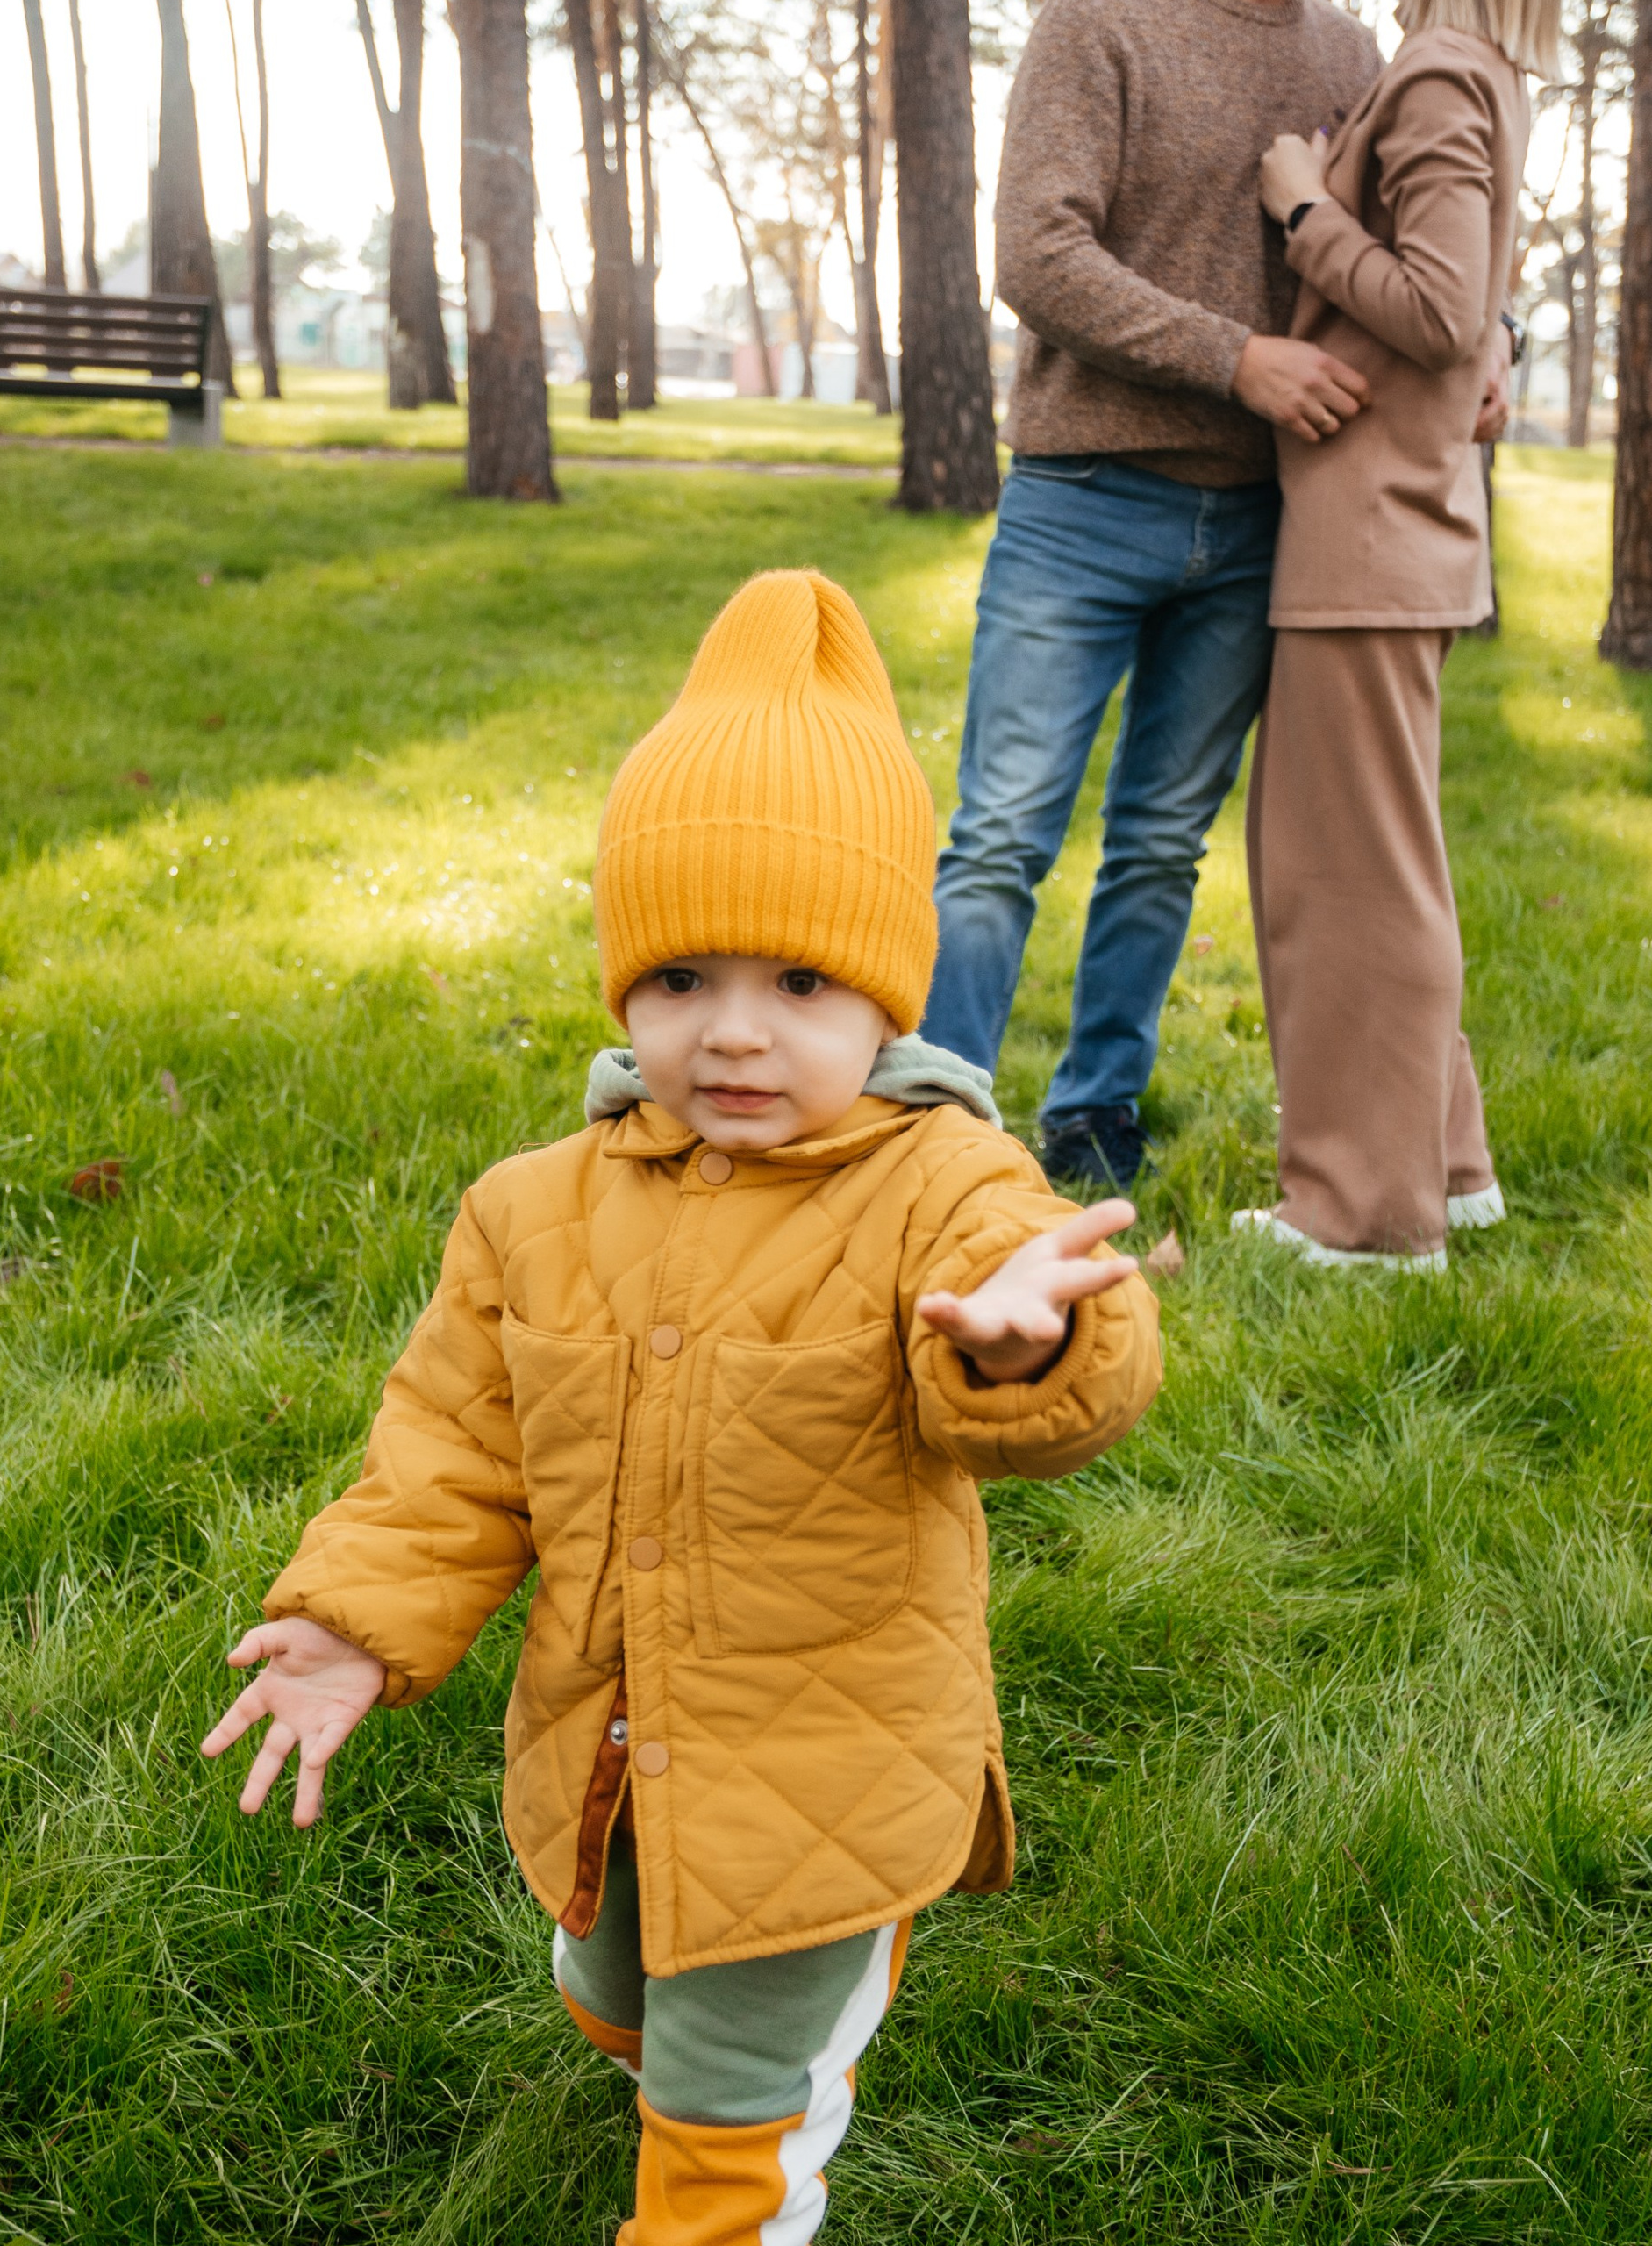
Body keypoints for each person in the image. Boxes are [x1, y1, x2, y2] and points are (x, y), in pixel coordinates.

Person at [201, 571, 1163, 2246]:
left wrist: (1020, 1347)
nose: (732, 1033)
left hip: (831, 1762)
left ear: (889, 995)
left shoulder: (947, 1179)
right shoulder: (532, 1209)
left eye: (799, 983)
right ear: (622, 989)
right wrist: (357, 1623)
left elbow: (1057, 1321)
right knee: (617, 1994)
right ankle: (710, 2031)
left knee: (725, 2130)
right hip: (615, 1747)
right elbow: (454, 1450)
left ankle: (781, 2075)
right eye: (679, 980)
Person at [920, 0, 1388, 1193]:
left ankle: (1095, 1117)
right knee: (1000, 837)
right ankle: (931, 1121)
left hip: (1258, 517)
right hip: (1083, 498)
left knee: (1162, 843)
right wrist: (1237, 357)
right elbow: (1037, 254)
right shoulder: (1095, 23)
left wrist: (1492, 335)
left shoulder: (1350, 51)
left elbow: (1393, 250)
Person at [1233, 0, 1546, 1270]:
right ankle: (1448, 1166)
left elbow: (1442, 305)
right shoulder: (1477, 69)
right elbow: (1472, 310)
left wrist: (1305, 209)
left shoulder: (1435, 71)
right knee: (1386, 861)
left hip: (1368, 537)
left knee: (1342, 879)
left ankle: (1366, 1216)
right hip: (1398, 532)